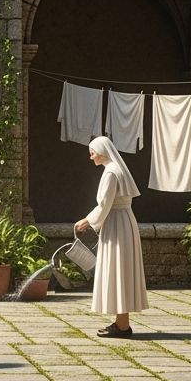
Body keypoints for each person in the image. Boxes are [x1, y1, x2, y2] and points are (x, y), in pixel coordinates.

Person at [74, 135, 148, 337]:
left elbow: (104, 205)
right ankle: (121, 322)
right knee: (120, 271)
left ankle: (123, 326)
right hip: (123, 222)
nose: (91, 157)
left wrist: (86, 221)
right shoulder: (117, 169)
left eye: (92, 153)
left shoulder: (111, 173)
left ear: (102, 151)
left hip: (116, 223)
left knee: (118, 271)